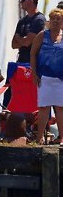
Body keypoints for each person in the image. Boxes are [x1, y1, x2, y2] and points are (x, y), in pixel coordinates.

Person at [30, 7, 63, 145]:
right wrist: (34, 73)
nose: (55, 21)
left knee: (60, 108)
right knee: (44, 108)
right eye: (53, 18)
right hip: (44, 77)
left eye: (59, 19)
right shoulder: (42, 35)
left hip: (60, 78)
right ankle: (39, 138)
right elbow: (33, 53)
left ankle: (61, 137)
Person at [12, 0, 46, 64]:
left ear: (31, 1)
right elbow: (14, 44)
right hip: (21, 61)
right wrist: (24, 40)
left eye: (23, 0)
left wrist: (19, 39)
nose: (21, 2)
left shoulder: (39, 19)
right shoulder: (22, 21)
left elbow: (27, 42)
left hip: (33, 63)